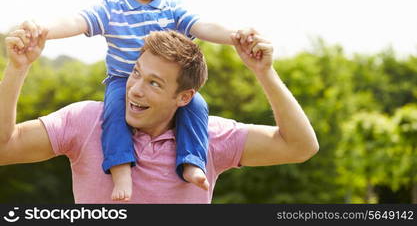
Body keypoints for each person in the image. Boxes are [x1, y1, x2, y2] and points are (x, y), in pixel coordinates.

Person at [19, 0, 258, 201]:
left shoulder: (173, 8)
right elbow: (78, 22)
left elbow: (203, 27)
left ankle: (191, 161)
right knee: (113, 113)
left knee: (198, 106)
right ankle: (121, 170)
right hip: (123, 79)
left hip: (164, 84)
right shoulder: (112, 7)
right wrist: (44, 31)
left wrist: (235, 36)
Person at [0, 27, 319, 203]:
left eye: (154, 83)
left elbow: (300, 146)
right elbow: (5, 147)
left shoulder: (210, 137)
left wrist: (265, 73)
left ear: (184, 97)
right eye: (136, 74)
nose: (135, 89)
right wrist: (17, 69)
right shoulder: (86, 121)